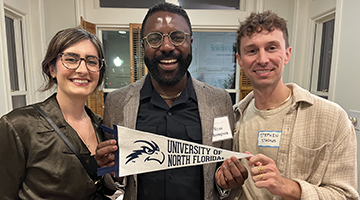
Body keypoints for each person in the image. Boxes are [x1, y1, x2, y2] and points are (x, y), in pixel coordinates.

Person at [94, 2, 246, 200]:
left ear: (191, 42)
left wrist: (227, 181)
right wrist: (113, 173)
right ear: (143, 46)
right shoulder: (117, 102)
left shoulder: (220, 101)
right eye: (155, 38)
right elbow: (114, 181)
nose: (166, 47)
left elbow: (222, 171)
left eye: (177, 37)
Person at [216, 10, 359, 199]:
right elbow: (226, 188)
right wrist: (224, 184)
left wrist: (288, 187)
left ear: (287, 54)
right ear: (240, 61)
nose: (262, 59)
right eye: (252, 50)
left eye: (272, 48)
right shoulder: (233, 117)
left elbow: (346, 196)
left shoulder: (332, 118)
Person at [0, 27, 117, 199]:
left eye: (92, 62)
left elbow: (95, 186)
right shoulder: (18, 126)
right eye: (71, 59)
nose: (83, 70)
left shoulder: (101, 126)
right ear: (52, 68)